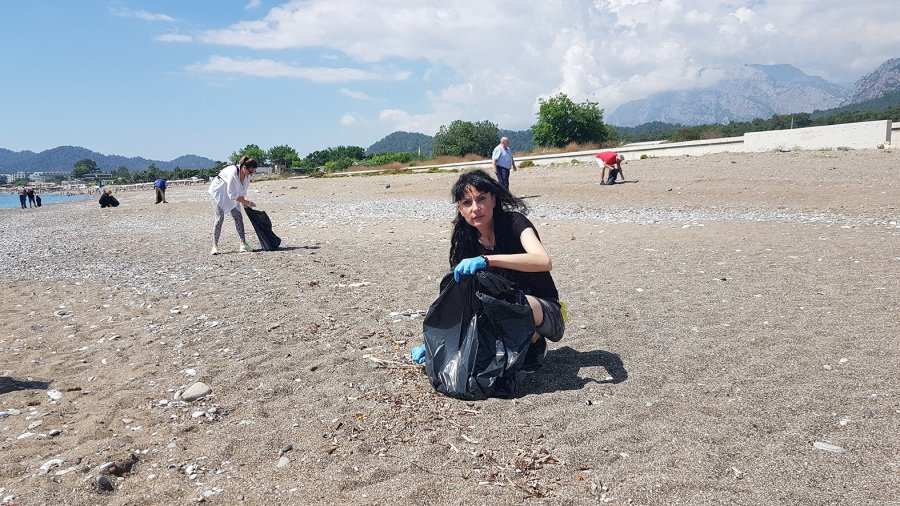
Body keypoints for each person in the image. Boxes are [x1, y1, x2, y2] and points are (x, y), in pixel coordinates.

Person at [449, 169, 565, 370]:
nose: (476, 208)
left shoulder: (515, 222)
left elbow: (543, 260)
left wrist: (488, 260)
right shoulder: (465, 241)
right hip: (501, 312)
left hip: (545, 312)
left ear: (493, 200)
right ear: (460, 209)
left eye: (481, 198)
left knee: (511, 304)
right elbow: (461, 298)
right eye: (467, 203)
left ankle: (535, 339)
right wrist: (443, 343)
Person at [207, 156, 257, 255]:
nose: (251, 174)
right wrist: (247, 202)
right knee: (219, 218)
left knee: (238, 217)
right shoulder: (233, 173)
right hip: (219, 192)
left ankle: (243, 243)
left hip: (233, 194)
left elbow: (242, 192)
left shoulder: (247, 176)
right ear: (244, 168)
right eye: (250, 171)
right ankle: (215, 245)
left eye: (253, 172)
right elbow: (232, 195)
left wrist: (245, 203)